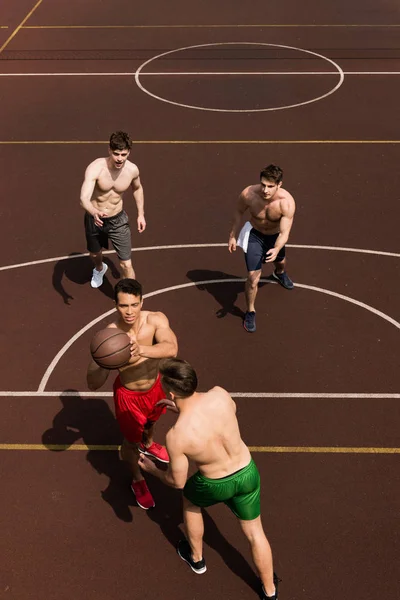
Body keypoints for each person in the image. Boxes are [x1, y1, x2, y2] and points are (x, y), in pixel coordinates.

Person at [139, 358, 280, 600]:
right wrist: (186, 407)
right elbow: (223, 413)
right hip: (247, 472)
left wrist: (153, 470)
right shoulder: (220, 395)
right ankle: (270, 592)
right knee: (256, 532)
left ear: (171, 394)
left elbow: (177, 482)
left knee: (190, 502)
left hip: (214, 483)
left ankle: (197, 559)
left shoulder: (177, 435)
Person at [86, 278, 178, 510]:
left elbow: (171, 348)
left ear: (141, 302)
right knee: (130, 442)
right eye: (123, 306)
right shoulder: (109, 337)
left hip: (156, 388)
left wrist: (141, 349)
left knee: (151, 425)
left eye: (134, 305)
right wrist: (100, 362)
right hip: (129, 397)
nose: (129, 311)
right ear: (115, 305)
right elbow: (93, 384)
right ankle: (138, 479)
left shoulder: (155, 319)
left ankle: (148, 443)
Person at [228, 164, 296, 333]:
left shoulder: (286, 203)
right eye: (263, 184)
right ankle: (250, 311)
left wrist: (277, 248)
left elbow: (285, 232)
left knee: (280, 262)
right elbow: (238, 212)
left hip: (275, 237)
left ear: (279, 184)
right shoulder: (249, 194)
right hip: (254, 235)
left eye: (270, 186)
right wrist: (232, 235)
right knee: (252, 277)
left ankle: (279, 273)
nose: (265, 190)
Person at [80, 131, 146, 289]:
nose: (120, 158)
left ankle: (131, 295)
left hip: (118, 220)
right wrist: (94, 211)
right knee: (95, 254)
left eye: (124, 154)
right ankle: (99, 269)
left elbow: (137, 188)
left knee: (126, 264)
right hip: (94, 218)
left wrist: (141, 214)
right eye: (116, 153)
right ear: (109, 150)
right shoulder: (96, 168)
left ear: (129, 152)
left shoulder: (132, 170)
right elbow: (83, 198)